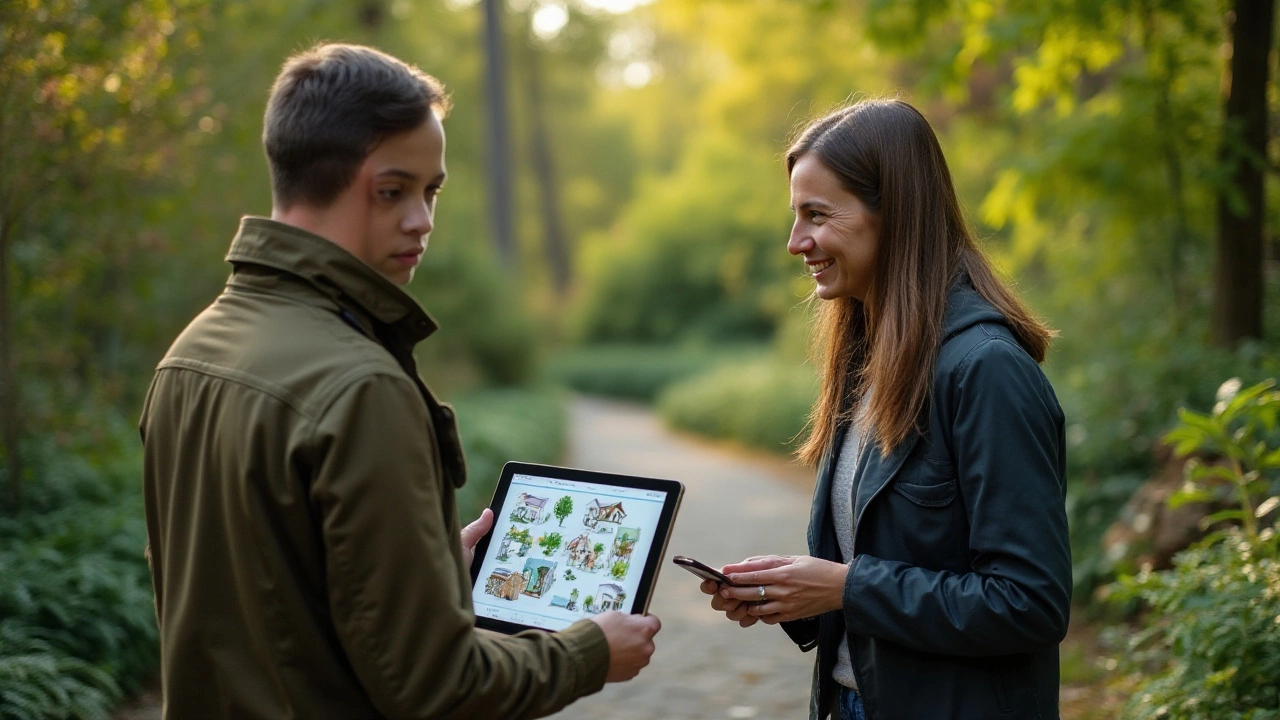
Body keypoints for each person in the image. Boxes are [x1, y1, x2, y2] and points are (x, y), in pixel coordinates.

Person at [139, 43, 660, 719]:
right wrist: (590, 652)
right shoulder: (360, 386)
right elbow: (438, 687)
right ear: (313, 175)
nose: (422, 220)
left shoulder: (190, 352)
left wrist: (432, 566)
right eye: (394, 191)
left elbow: (262, 595)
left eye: (431, 190)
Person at [699, 98, 1071, 720]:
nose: (796, 243)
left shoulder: (986, 371)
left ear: (894, 215)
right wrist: (796, 594)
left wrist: (846, 586)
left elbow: (1029, 602)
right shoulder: (866, 360)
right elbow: (886, 574)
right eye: (796, 217)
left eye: (817, 215)